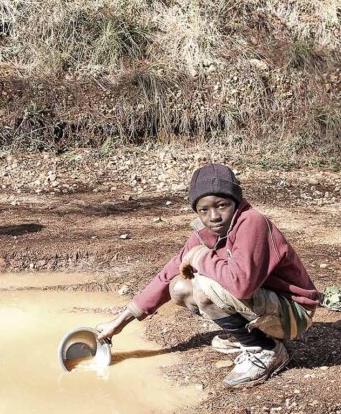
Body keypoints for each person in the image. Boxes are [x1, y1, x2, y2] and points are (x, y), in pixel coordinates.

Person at [96, 163, 319, 388]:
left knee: (203, 288)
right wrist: (119, 323)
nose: (214, 216)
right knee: (180, 287)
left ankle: (265, 350)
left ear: (236, 202)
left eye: (221, 205)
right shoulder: (205, 234)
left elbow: (241, 285)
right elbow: (167, 275)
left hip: (294, 313)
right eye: (204, 210)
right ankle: (249, 334)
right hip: (266, 305)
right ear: (197, 210)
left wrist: (201, 257)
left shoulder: (252, 222)